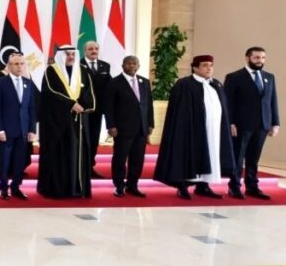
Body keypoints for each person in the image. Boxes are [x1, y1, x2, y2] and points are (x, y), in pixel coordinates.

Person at [155, 55, 238, 200]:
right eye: (205, 65)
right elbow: (179, 111)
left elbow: (224, 107)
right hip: (191, 130)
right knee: (188, 156)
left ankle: (203, 186)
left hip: (214, 131)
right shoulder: (184, 84)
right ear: (195, 67)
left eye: (211, 65)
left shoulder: (216, 84)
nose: (209, 68)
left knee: (211, 155)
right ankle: (183, 186)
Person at [37, 46, 96, 199]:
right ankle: (59, 190)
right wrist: (70, 104)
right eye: (67, 54)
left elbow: (88, 92)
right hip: (58, 123)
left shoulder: (82, 71)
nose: (70, 57)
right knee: (60, 154)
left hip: (79, 123)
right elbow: (50, 93)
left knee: (78, 152)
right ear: (61, 56)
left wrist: (82, 106)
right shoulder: (51, 71)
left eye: (72, 54)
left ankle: (78, 188)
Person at [224, 46, 280, 200]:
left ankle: (252, 187)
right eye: (256, 58)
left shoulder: (269, 77)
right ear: (247, 58)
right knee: (238, 157)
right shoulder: (234, 77)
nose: (260, 61)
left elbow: (272, 101)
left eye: (262, 58)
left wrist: (275, 123)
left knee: (254, 158)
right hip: (241, 125)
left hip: (262, 124)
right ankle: (234, 187)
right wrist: (230, 123)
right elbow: (228, 103)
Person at [0, 52, 38, 201]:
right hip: (6, 129)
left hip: (23, 130)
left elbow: (31, 108)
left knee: (20, 161)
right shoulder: (0, 82)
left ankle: (16, 186)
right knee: (4, 161)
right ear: (9, 66)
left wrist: (32, 129)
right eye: (16, 64)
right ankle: (3, 188)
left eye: (21, 64)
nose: (19, 67)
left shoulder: (27, 82)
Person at [106, 55, 153, 198]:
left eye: (134, 63)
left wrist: (150, 123)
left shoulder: (144, 82)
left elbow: (148, 104)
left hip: (141, 128)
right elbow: (109, 107)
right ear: (123, 66)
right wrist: (111, 125)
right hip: (122, 128)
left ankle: (133, 185)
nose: (132, 66)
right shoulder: (115, 83)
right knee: (120, 158)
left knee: (137, 159)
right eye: (128, 64)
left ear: (138, 66)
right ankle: (119, 186)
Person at [81, 41, 111, 177]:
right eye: (90, 49)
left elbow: (109, 87)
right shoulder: (77, 65)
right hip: (82, 110)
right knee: (83, 140)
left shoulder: (105, 66)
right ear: (85, 51)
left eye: (96, 48)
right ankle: (81, 167)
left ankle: (90, 167)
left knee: (94, 138)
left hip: (98, 110)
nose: (94, 51)